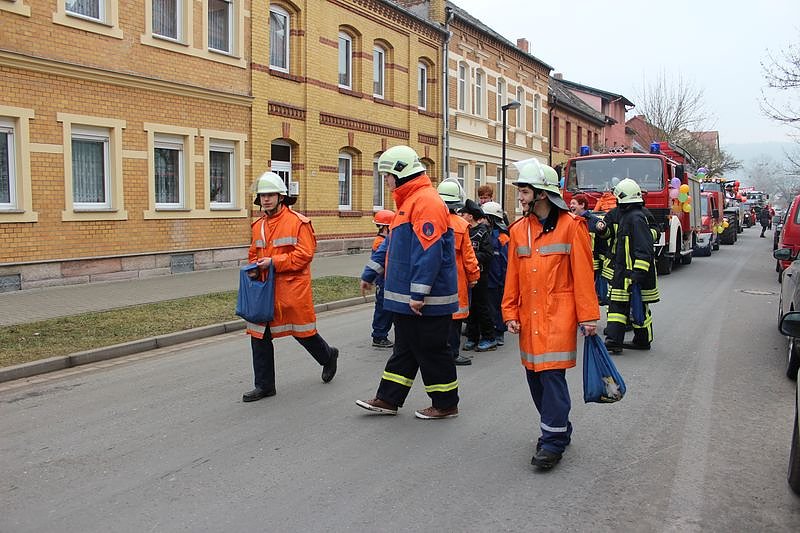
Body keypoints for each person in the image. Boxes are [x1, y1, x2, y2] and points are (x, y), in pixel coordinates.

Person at [501, 159, 599, 470]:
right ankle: (558, 428)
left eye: (525, 191)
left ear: (542, 194)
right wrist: (509, 312)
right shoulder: (519, 231)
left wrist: (588, 317)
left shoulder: (573, 227)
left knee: (551, 376)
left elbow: (584, 275)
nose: (521, 197)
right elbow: (512, 276)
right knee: (535, 377)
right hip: (529, 318)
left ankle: (553, 442)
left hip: (559, 316)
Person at [356, 145, 460, 419]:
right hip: (409, 299)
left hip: (427, 300)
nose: (386, 180)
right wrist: (370, 273)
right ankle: (388, 399)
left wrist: (419, 293)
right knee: (405, 348)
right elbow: (391, 245)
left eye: (387, 174)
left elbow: (429, 252)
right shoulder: (408, 203)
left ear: (401, 172)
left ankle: (446, 403)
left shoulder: (425, 201)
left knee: (432, 350)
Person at [243, 171, 339, 402]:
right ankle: (265, 385)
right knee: (259, 334)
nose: (265, 199)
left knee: (303, 332)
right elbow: (253, 252)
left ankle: (328, 356)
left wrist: (273, 262)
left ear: (281, 196)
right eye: (262, 195)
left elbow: (304, 256)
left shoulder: (298, 222)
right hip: (265, 290)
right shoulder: (258, 225)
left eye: (270, 195)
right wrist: (253, 267)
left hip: (292, 289)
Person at [596, 178, 660, 354]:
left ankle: (640, 340)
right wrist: (602, 229)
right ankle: (615, 340)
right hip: (622, 269)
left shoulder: (638, 217)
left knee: (638, 305)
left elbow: (644, 247)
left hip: (632, 271)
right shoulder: (619, 214)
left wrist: (638, 273)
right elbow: (608, 231)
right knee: (617, 304)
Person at [437, 180, 480, 366]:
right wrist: (474, 277)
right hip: (456, 279)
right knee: (454, 321)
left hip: (435, 277)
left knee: (437, 321)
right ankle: (452, 354)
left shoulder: (431, 222)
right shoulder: (462, 226)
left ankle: (436, 354)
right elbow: (469, 257)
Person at [461, 198, 497, 352]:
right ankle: (472, 337)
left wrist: (471, 256)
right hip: (467, 276)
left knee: (482, 307)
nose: (461, 215)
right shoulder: (465, 230)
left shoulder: (483, 232)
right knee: (471, 307)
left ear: (470, 216)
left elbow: (488, 255)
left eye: (464, 213)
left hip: (481, 276)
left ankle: (489, 337)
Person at [360, 209, 395, 348]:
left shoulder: (382, 240)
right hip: (384, 280)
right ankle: (379, 336)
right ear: (386, 227)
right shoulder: (381, 243)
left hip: (385, 280)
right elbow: (379, 262)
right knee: (383, 310)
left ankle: (381, 334)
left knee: (387, 309)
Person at [570, 193, 608, 305]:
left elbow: (602, 245)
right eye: (571, 203)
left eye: (573, 203)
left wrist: (602, 262)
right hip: (575, 262)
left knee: (588, 292)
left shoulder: (595, 222)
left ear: (582, 205)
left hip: (592, 265)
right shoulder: (570, 221)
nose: (570, 206)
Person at [481, 201, 509, 347]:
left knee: (496, 307)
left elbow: (505, 262)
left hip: (497, 280)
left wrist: (504, 281)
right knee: (489, 307)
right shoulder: (486, 234)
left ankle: (499, 332)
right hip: (488, 277)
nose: (482, 220)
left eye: (485, 217)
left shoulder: (502, 238)